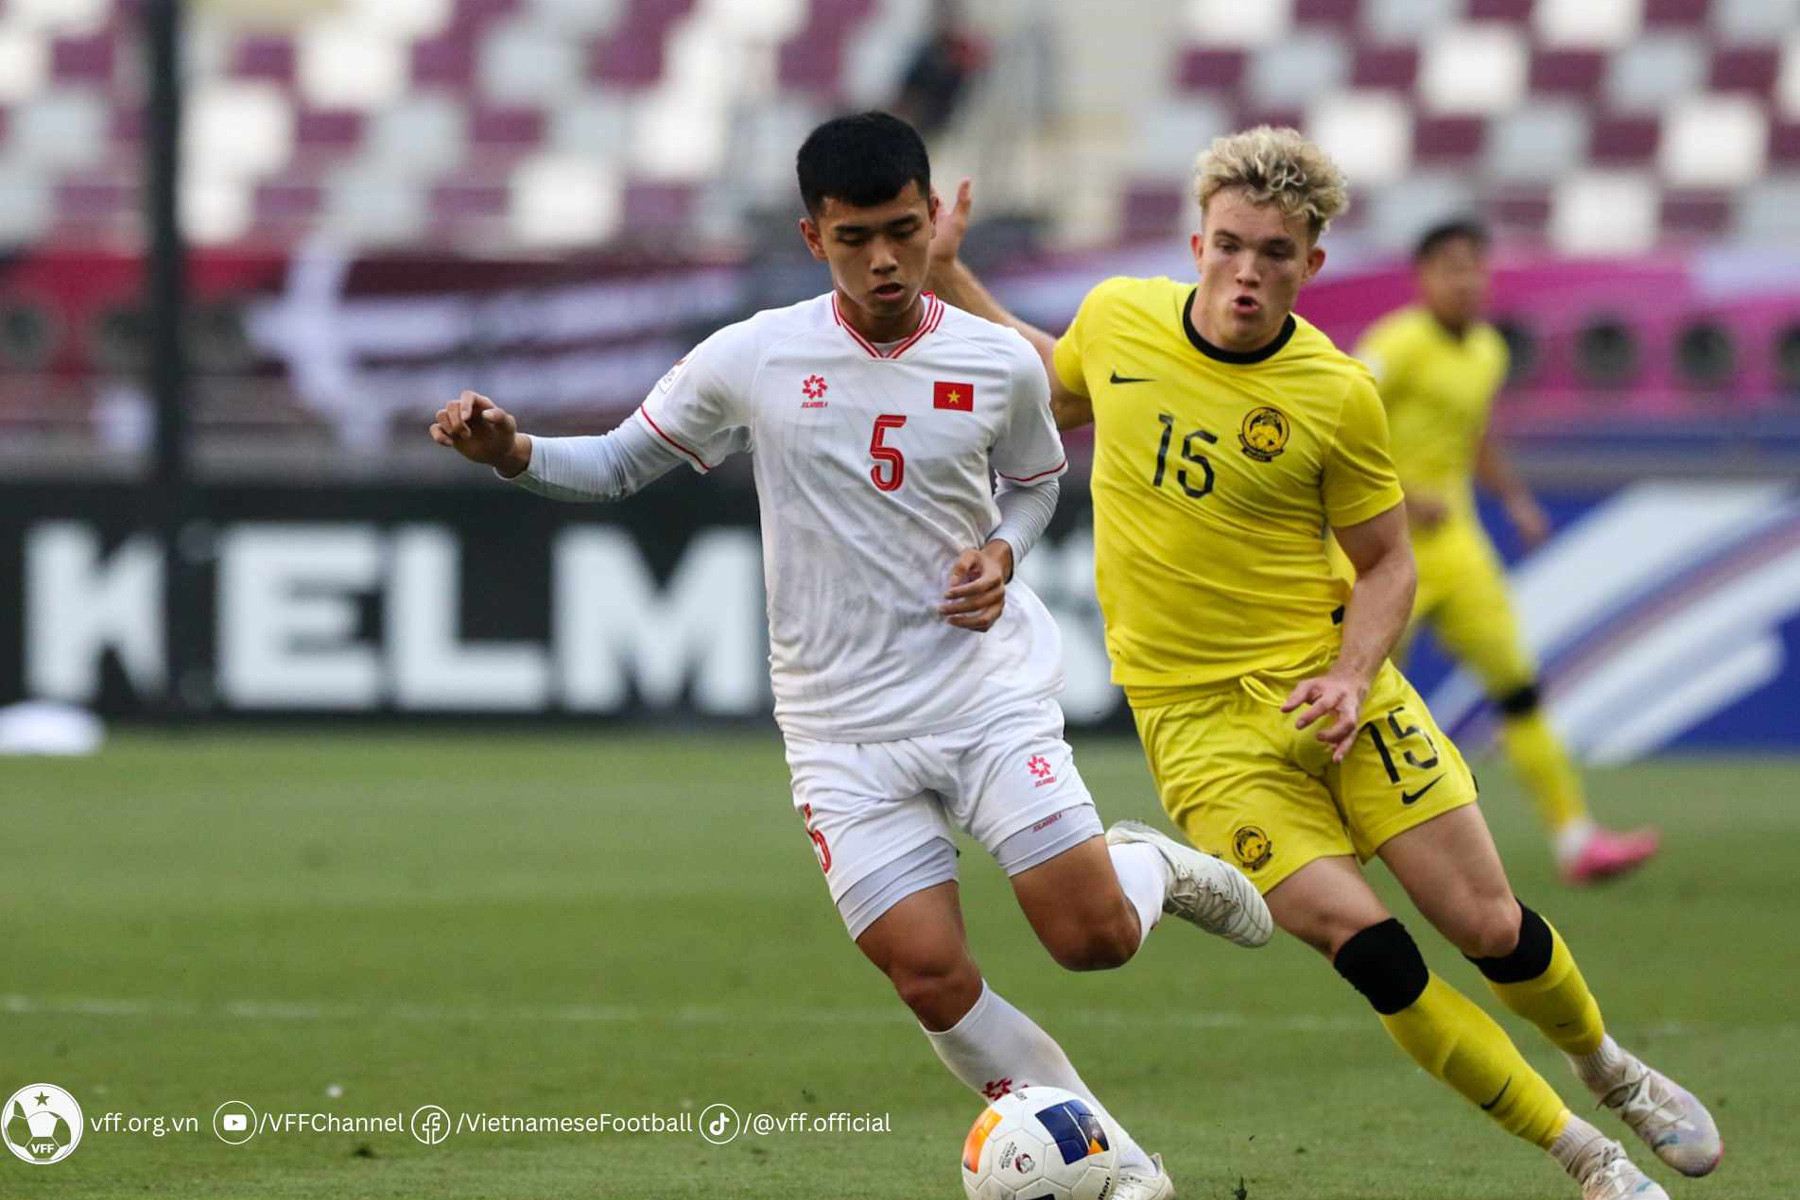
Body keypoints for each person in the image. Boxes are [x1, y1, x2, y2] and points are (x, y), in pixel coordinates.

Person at [428, 111, 1272, 1200]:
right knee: (929, 977)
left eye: (904, 232)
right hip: (840, 732)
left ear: (930, 220)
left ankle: (1147, 865)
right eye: (854, 237)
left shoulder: (997, 362)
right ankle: (1120, 1168)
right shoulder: (755, 355)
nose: (883, 260)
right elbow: (620, 463)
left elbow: (1035, 483)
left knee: (1092, 940)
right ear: (812, 235)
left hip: (981, 699)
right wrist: (513, 452)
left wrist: (1004, 553)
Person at [922, 126, 1719, 1200]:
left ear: (1312, 263)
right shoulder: (1119, 319)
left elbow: (1388, 563)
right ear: (1197, 244)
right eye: (1230, 246)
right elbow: (1053, 382)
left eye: (1275, 253)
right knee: (1374, 953)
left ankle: (1611, 1069)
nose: (1247, 273)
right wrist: (948, 275)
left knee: (1487, 925)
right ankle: (1590, 1160)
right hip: (1202, 731)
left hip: (1333, 693)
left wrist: (1349, 676)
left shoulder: (1335, 393)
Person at [1355, 220, 1660, 883]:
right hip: (1375, 550)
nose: (1465, 281)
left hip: (1456, 546)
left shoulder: (1487, 351)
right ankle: (1315, 848)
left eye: (1474, 267)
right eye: (1450, 268)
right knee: (1354, 701)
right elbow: (1337, 426)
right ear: (1423, 277)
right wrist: (1399, 494)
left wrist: (1516, 500)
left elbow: (1472, 437)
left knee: (1518, 687)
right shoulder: (1395, 346)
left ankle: (1576, 838)